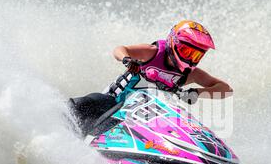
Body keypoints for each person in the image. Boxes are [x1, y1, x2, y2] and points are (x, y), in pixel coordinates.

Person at [68, 20, 233, 136]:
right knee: (90, 102)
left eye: (196, 54)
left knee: (182, 124)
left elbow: (225, 89)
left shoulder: (190, 74)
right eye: (186, 51)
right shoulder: (152, 52)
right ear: (173, 42)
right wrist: (127, 59)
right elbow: (120, 49)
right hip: (113, 104)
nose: (190, 58)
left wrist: (197, 93)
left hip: (146, 120)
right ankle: (63, 115)